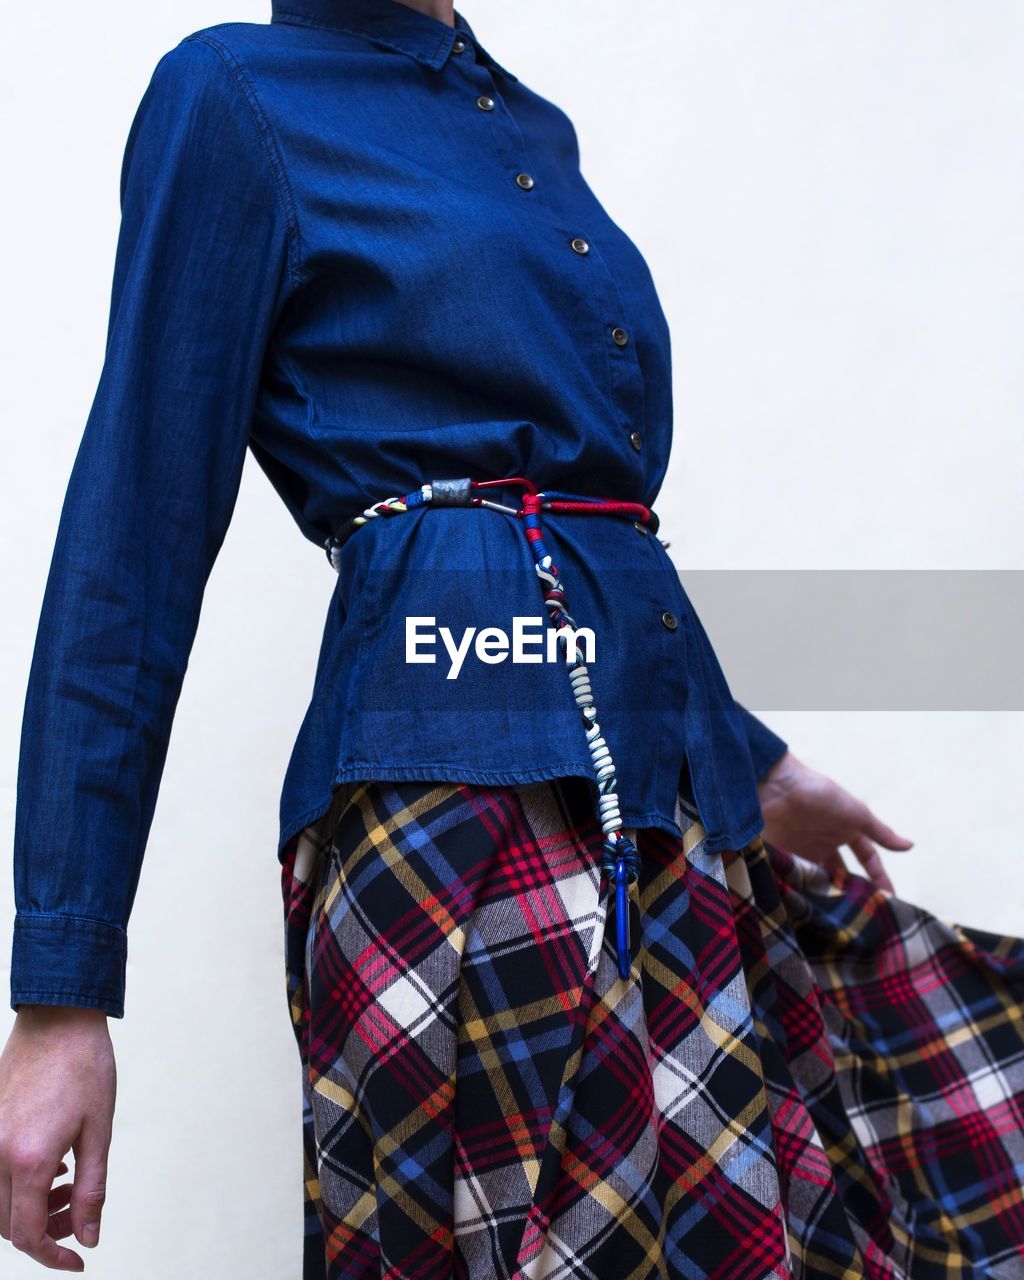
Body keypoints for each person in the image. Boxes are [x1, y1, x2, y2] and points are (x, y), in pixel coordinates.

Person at [2, 2, 1023, 1276]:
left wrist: (744, 756)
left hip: (665, 814)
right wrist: (60, 991)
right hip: (454, 824)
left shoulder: (526, 122)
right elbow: (130, 539)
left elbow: (594, 524)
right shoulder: (234, 93)